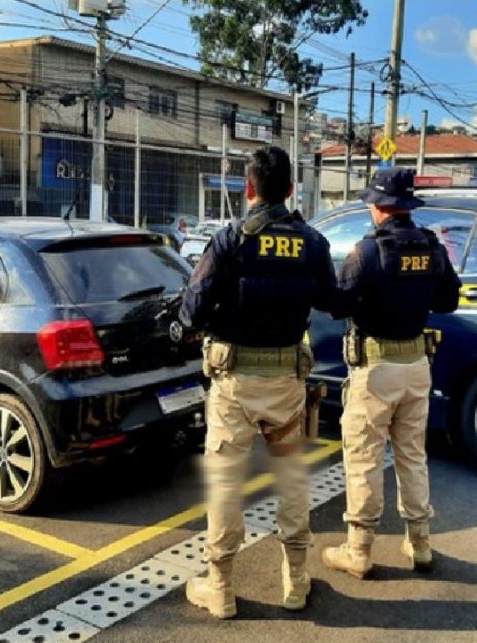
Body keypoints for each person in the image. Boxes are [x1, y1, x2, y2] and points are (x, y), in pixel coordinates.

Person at [180, 146, 336, 618]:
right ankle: (296, 580)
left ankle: (222, 588)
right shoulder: (312, 242)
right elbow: (331, 298)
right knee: (290, 477)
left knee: (226, 483)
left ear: (249, 188)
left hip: (235, 385)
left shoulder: (229, 240)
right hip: (288, 382)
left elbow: (192, 310)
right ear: (290, 190)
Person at [322, 167, 461, 579]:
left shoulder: (368, 251)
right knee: (413, 456)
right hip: (417, 367)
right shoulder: (431, 247)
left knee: (364, 458)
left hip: (376, 368)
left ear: (379, 207)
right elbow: (449, 301)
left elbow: (337, 304)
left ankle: (359, 550)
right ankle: (420, 544)